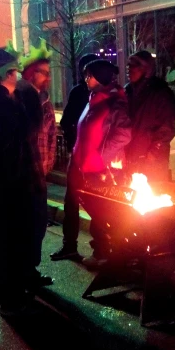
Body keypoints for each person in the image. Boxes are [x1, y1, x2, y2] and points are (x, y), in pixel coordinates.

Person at [0, 45, 52, 317]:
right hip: (7, 184)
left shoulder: (4, 99)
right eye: (13, 72)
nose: (18, 78)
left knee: (21, 236)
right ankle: (6, 294)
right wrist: (29, 97)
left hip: (18, 181)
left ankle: (20, 281)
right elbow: (27, 131)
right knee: (6, 240)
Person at [71, 59, 132, 266]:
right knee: (97, 212)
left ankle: (111, 254)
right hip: (89, 167)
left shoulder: (114, 102)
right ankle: (103, 252)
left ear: (101, 77)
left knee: (107, 213)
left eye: (90, 75)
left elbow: (123, 134)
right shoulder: (94, 98)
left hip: (104, 170)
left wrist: (101, 157)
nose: (86, 78)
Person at [51, 52, 98, 262]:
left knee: (95, 202)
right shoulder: (81, 92)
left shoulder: (106, 94)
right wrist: (74, 143)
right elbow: (67, 120)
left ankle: (102, 248)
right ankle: (71, 245)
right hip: (82, 157)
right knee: (73, 200)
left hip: (96, 160)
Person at [124, 50, 175, 182]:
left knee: (154, 194)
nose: (129, 69)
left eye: (134, 66)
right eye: (128, 66)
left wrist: (153, 154)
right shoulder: (127, 91)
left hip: (152, 160)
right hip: (131, 156)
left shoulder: (160, 92)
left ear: (146, 68)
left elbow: (166, 128)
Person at [19, 42, 56, 176]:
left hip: (41, 172)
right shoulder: (18, 99)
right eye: (44, 73)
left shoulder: (46, 103)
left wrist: (47, 164)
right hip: (22, 174)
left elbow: (51, 136)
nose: (49, 77)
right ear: (31, 73)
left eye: (49, 73)